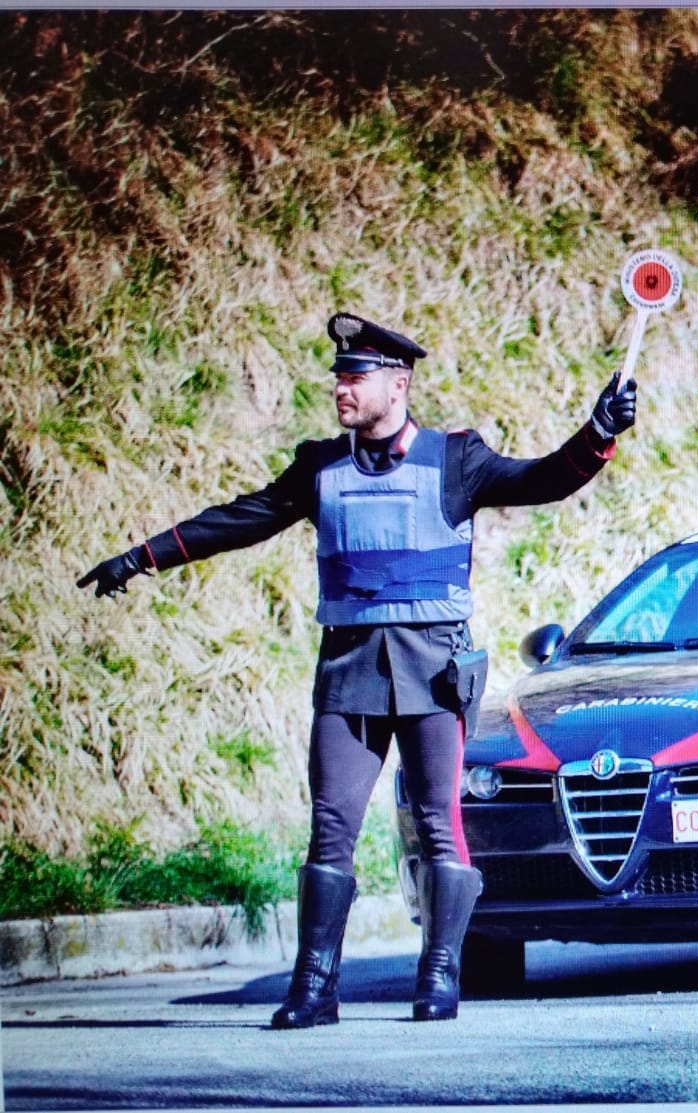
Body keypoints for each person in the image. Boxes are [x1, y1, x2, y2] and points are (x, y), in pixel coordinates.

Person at [77, 313, 638, 1025]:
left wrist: (598, 433)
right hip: (348, 671)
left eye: (356, 375)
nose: (341, 387)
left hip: (433, 672)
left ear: (398, 384)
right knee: (330, 827)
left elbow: (543, 479)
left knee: (440, 822)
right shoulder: (320, 467)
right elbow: (242, 517)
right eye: (339, 375)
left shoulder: (456, 459)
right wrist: (142, 556)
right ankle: (314, 987)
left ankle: (439, 975)